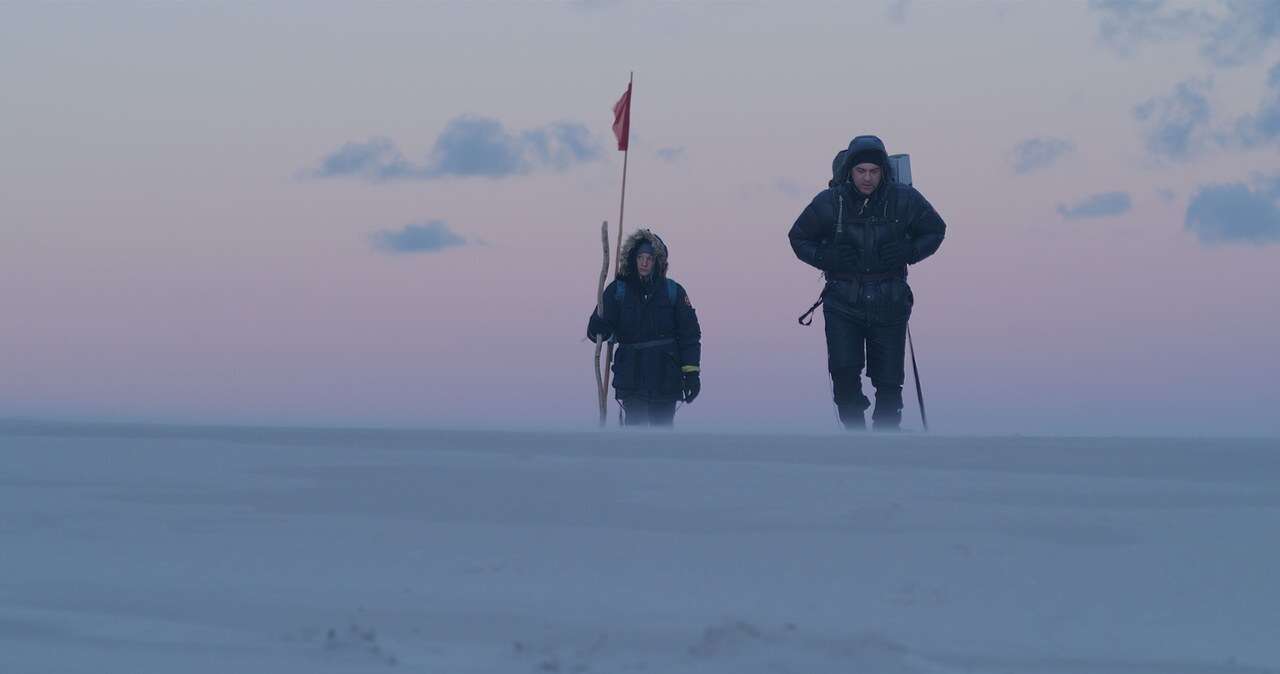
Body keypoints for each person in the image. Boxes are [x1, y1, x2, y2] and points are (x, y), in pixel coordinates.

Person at [788, 135, 946, 430]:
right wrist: (827, 257)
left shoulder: (905, 199)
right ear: (849, 171)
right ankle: (855, 440)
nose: (867, 178)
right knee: (844, 373)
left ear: (884, 171)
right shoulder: (829, 202)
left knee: (889, 381)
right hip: (842, 300)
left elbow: (936, 230)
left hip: (890, 300)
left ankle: (886, 440)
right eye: (861, 171)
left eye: (874, 171)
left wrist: (910, 252)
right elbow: (797, 237)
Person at [586, 229, 702, 427]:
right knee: (635, 439)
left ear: (657, 261)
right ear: (633, 259)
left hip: (666, 379)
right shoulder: (618, 291)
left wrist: (691, 373)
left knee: (663, 438)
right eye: (640, 257)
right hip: (632, 379)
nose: (644, 262)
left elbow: (689, 336)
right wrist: (599, 326)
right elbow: (595, 330)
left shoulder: (673, 292)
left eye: (649, 258)